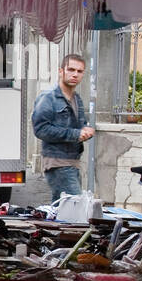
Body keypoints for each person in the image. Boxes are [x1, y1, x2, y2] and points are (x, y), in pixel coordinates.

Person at [31, 54, 94, 201]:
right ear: (61, 71)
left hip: (73, 161)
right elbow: (40, 129)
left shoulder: (76, 98)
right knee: (74, 206)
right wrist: (75, 134)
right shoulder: (48, 97)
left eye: (79, 71)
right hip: (57, 161)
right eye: (71, 69)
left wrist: (85, 130)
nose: (75, 74)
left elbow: (79, 125)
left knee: (62, 209)